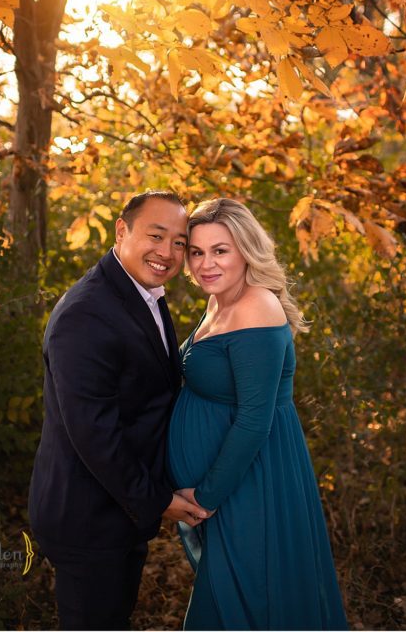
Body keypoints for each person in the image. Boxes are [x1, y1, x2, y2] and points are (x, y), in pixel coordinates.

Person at [29, 191, 211, 631]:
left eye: (179, 242)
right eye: (156, 235)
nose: (167, 252)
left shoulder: (139, 293)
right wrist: (158, 500)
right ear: (122, 230)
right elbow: (94, 434)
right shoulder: (87, 314)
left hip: (117, 511)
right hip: (87, 516)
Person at [168, 198, 347, 630]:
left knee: (245, 601)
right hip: (228, 479)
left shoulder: (256, 306)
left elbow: (253, 420)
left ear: (246, 250)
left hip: (252, 480)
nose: (206, 263)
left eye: (220, 250)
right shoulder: (219, 301)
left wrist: (206, 497)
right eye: (197, 251)